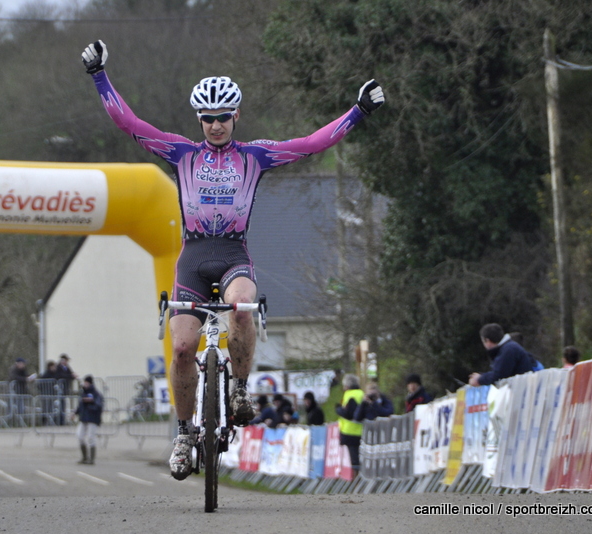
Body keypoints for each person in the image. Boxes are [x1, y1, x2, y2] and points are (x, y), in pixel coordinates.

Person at [81, 39, 385, 481]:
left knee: (243, 306)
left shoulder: (254, 156)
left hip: (232, 254)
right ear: (198, 119)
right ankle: (185, 434)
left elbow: (312, 143)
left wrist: (357, 111)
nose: (216, 125)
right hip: (193, 257)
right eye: (208, 118)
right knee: (183, 348)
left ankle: (240, 390)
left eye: (223, 117)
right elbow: (128, 123)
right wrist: (98, 75)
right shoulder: (181, 153)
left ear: (236, 115)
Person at [468, 323, 540, 386]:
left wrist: (480, 379)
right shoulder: (507, 348)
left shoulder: (508, 350)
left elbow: (499, 375)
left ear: (487, 341)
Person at [334, 374, 364, 476]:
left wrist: (339, 410)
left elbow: (349, 414)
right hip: (361, 430)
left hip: (351, 431)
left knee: (354, 458)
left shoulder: (350, 395)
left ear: (347, 385)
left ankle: (357, 480)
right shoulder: (361, 393)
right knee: (359, 456)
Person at [75, 375, 104, 465]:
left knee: (91, 437)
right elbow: (80, 405)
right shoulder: (83, 393)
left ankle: (91, 459)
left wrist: (91, 402)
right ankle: (84, 457)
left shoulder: (96, 394)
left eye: (86, 382)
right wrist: (75, 413)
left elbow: (99, 405)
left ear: (90, 383)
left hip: (93, 418)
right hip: (84, 418)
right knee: (79, 435)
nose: (85, 384)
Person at [55, 354, 77, 426]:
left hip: (66, 389)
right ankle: (60, 421)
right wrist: (70, 376)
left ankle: (64, 420)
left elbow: (70, 374)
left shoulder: (67, 367)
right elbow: (61, 376)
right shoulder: (58, 367)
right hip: (60, 388)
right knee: (61, 405)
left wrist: (73, 376)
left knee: (64, 405)